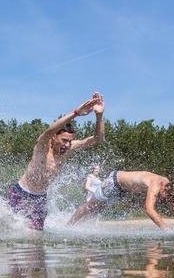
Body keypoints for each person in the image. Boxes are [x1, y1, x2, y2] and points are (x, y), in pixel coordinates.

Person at [8, 92, 105, 230]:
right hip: (21, 193)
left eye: (70, 141)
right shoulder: (42, 147)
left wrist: (99, 116)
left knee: (35, 236)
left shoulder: (69, 148)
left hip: (40, 198)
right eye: (64, 140)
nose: (67, 145)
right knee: (11, 229)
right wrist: (76, 113)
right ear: (54, 137)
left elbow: (98, 139)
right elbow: (48, 131)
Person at [68, 170, 174, 230]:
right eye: (166, 198)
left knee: (97, 210)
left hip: (123, 191)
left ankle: (77, 227)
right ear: (164, 189)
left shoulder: (170, 189)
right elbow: (149, 210)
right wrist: (166, 229)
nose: (166, 200)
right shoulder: (156, 184)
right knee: (90, 206)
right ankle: (68, 226)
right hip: (114, 182)